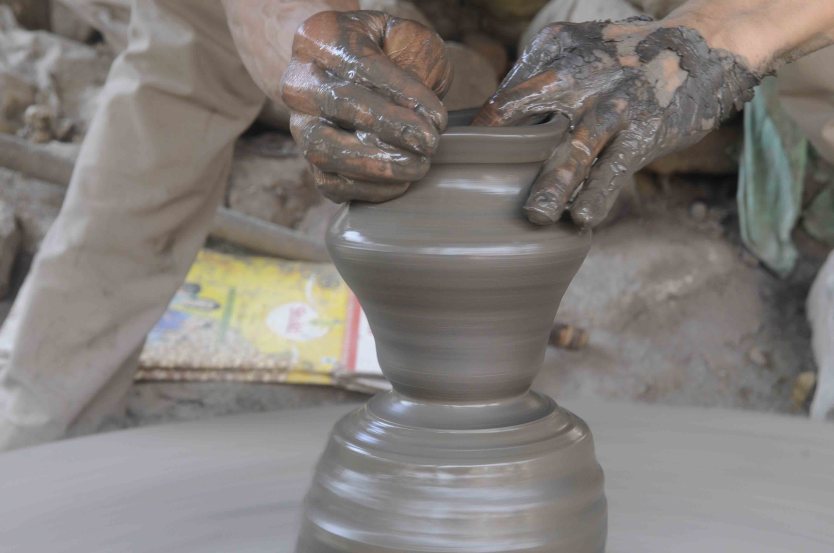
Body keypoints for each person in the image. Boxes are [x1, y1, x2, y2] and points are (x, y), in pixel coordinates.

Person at [1, 0, 833, 452]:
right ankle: (37, 398)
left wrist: (723, 32)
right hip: (407, 12)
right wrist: (300, 35)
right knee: (186, 41)